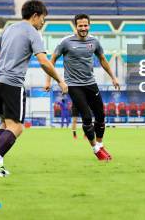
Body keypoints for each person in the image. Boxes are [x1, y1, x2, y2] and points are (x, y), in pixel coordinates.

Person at [0, 0, 68, 177]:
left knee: (5, 124)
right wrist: (60, 80)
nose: (43, 22)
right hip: (12, 83)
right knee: (18, 127)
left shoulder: (9, 29)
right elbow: (43, 61)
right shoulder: (33, 33)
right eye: (43, 18)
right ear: (35, 16)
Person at [45, 13, 119, 161]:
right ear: (75, 26)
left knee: (100, 115)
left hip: (90, 83)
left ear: (89, 25)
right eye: (80, 26)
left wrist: (113, 77)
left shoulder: (94, 42)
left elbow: (103, 59)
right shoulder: (66, 42)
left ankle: (100, 145)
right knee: (86, 117)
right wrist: (48, 80)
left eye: (86, 25)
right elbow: (51, 60)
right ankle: (95, 150)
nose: (83, 28)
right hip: (73, 85)